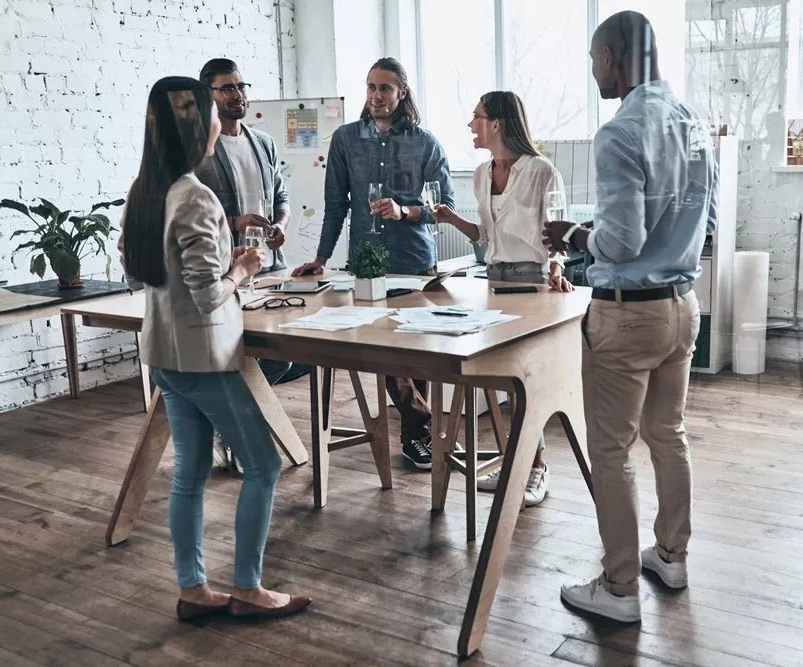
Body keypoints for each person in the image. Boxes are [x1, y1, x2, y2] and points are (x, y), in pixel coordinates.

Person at [543, 11, 718, 622]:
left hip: (628, 316)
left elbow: (617, 243)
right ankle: (671, 555)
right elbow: (711, 226)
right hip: (683, 308)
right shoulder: (695, 123)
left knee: (611, 452)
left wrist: (572, 232)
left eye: (595, 61)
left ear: (613, 55)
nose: (594, 74)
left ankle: (619, 590)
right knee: (668, 435)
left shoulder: (619, 132)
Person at [119, 76, 310, 621]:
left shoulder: (146, 190)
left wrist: (224, 241)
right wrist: (244, 268)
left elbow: (141, 270)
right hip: (203, 358)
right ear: (196, 128)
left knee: (191, 472)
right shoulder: (195, 196)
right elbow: (207, 296)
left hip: (163, 353)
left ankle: (192, 588)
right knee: (265, 466)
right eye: (210, 116)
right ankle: (248, 589)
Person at [291, 57, 455, 471]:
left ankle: (415, 435)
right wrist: (321, 259)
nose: (376, 96)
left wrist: (406, 211)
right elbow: (335, 206)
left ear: (402, 93)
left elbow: (445, 208)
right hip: (367, 264)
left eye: (385, 88)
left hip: (415, 263)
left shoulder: (426, 143)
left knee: (415, 354)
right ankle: (422, 429)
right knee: (386, 352)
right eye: (370, 87)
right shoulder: (346, 140)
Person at [432, 90, 573, 507]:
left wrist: (556, 270)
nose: (471, 126)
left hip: (533, 285)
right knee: (503, 382)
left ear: (496, 122)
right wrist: (450, 218)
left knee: (527, 382)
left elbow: (558, 235)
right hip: (494, 284)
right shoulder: (480, 173)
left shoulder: (541, 170)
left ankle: (537, 468)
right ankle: (519, 465)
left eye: (476, 118)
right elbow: (484, 237)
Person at [195, 58, 311, 390]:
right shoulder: (201, 149)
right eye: (227, 88)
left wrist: (282, 225)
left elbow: (281, 196)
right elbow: (194, 214)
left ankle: (236, 415)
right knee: (243, 353)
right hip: (228, 268)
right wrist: (236, 222)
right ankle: (235, 417)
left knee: (283, 352)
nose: (237, 94)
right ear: (209, 95)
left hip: (270, 268)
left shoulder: (263, 142)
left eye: (240, 86)